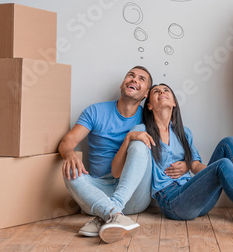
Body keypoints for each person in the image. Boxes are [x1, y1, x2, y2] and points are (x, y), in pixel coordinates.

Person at [119, 83, 233, 242]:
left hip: (196, 198)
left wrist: (213, 174)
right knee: (222, 165)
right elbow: (131, 165)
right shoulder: (142, 131)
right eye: (156, 92)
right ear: (149, 105)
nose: (163, 93)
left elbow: (196, 166)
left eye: (167, 90)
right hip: (173, 202)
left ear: (174, 102)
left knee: (229, 143)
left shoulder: (184, 133)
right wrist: (130, 138)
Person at [58, 66, 187, 244]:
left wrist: (187, 165)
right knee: (69, 172)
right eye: (130, 76)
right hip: (97, 191)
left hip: (135, 195)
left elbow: (172, 143)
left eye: (141, 79)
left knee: (140, 143)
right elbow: (67, 142)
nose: (134, 80)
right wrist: (71, 154)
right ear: (122, 85)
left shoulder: (149, 118)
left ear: (146, 95)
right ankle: (114, 215)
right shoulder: (95, 111)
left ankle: (109, 212)